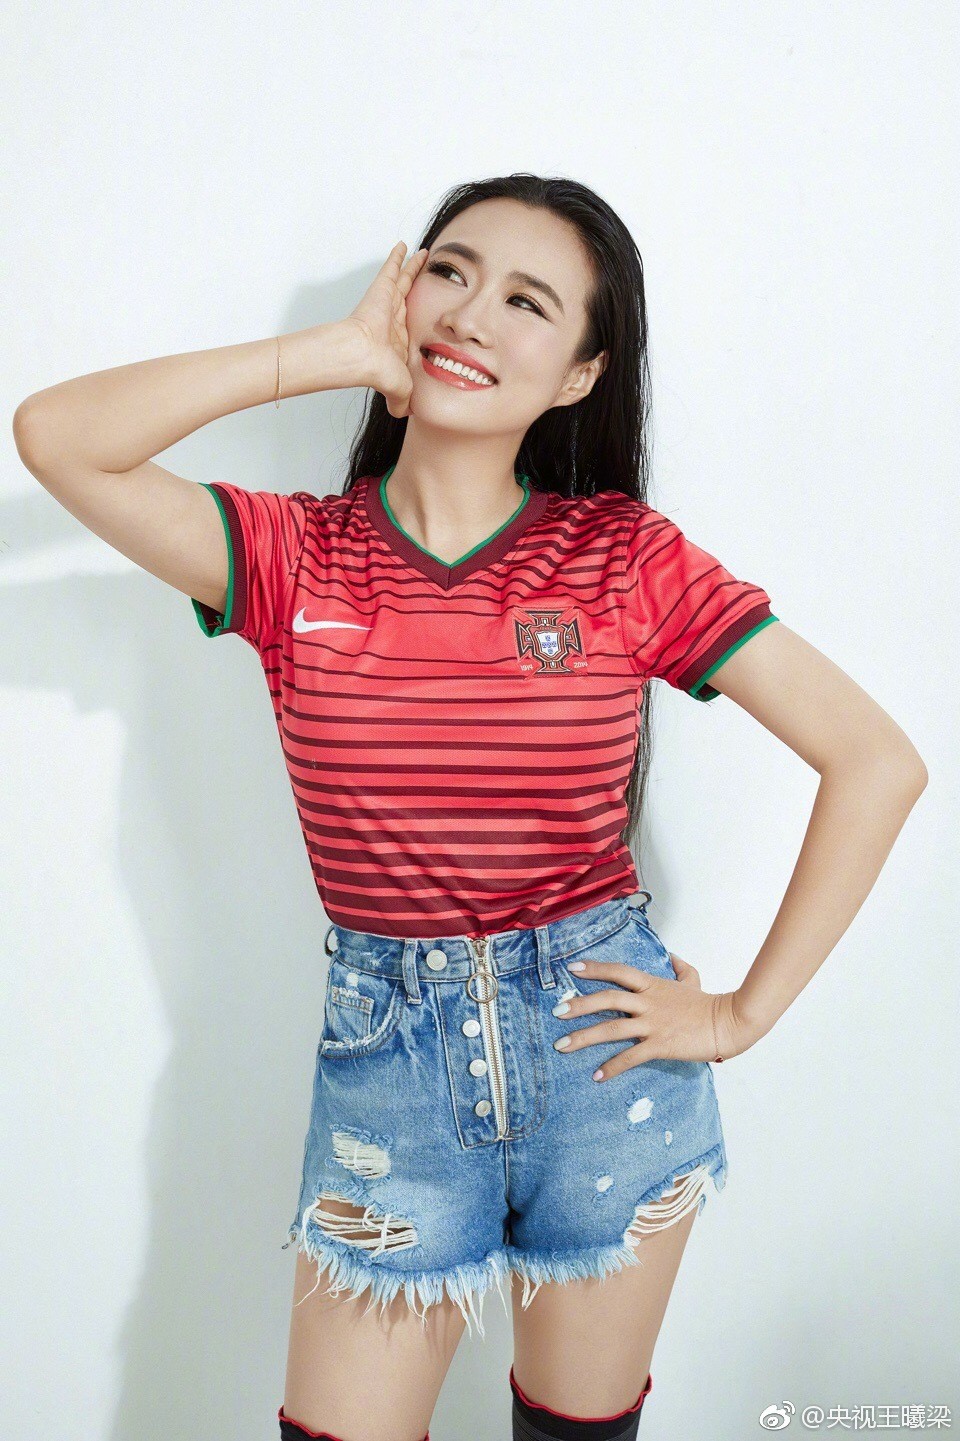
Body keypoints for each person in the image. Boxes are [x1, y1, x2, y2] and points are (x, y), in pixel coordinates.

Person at [13, 173, 928, 1441]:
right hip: (387, 1073)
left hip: (607, 1060)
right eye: (449, 271)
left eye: (526, 301)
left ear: (580, 374)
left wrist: (739, 1014)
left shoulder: (623, 558)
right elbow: (56, 435)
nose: (470, 313)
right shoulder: (291, 557)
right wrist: (331, 353)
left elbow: (877, 761)